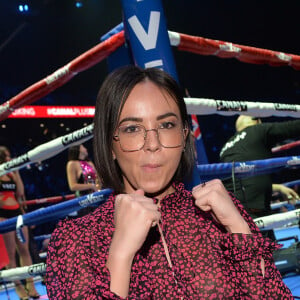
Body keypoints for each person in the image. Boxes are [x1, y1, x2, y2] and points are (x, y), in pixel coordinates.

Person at [46, 66, 293, 299]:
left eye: (166, 125)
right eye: (132, 128)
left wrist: (238, 227)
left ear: (184, 135)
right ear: (110, 143)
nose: (153, 144)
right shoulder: (74, 240)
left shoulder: (218, 214)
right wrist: (120, 255)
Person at [220, 115, 300, 219]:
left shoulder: (226, 148)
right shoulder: (256, 130)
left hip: (231, 206)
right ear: (257, 121)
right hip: (252, 209)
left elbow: (245, 180)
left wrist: (278, 187)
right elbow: (292, 127)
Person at [0, 146, 40, 300]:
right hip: (3, 215)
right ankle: (19, 288)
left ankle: (31, 285)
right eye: (7, 155)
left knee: (25, 250)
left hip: (17, 213)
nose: (10, 158)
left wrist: (16, 172)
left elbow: (20, 193)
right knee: (11, 255)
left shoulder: (11, 173)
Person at [66, 144, 101, 216]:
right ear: (78, 149)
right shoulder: (72, 164)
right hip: (83, 200)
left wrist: (98, 187)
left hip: (97, 197)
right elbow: (72, 186)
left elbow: (98, 179)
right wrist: (91, 186)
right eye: (83, 147)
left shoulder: (90, 163)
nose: (86, 149)